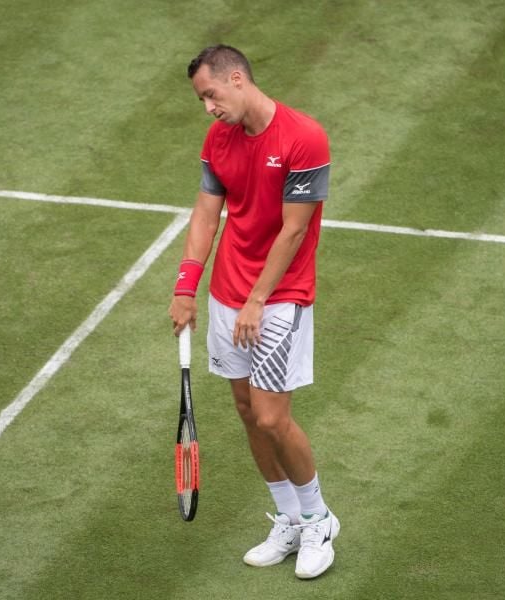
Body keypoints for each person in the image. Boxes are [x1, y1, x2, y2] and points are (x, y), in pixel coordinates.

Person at [168, 44, 339, 580]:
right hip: (226, 292)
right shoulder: (218, 138)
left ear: (237, 78)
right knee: (245, 411)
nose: (209, 109)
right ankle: (288, 518)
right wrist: (186, 286)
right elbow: (205, 214)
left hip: (279, 296)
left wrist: (258, 300)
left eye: (211, 95)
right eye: (202, 99)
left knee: (271, 416)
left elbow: (294, 229)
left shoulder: (304, 138)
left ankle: (318, 518)